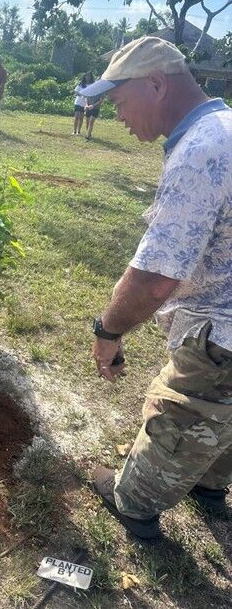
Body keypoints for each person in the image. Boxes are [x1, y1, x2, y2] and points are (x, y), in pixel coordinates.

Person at [82, 37, 232, 539]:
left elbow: (154, 278)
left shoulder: (201, 150)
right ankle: (211, 485)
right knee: (226, 414)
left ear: (155, 84)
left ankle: (135, 503)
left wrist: (108, 329)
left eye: (119, 102)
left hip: (221, 330)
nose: (118, 117)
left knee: (183, 410)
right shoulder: (226, 127)